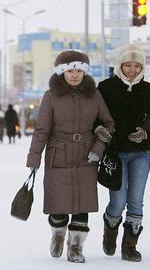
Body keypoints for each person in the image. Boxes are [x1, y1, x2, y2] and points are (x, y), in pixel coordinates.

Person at [26, 50, 114, 263]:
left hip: (87, 155)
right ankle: (57, 233)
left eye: (79, 70)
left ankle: (76, 247)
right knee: (58, 205)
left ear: (84, 72)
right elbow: (42, 130)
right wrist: (34, 157)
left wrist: (98, 147)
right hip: (59, 154)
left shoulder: (95, 95)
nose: (74, 75)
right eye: (70, 71)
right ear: (62, 73)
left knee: (83, 204)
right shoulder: (51, 96)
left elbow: (108, 124)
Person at [96, 44, 150, 262]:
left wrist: (147, 132)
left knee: (136, 200)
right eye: (128, 65)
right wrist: (99, 129)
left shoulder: (148, 90)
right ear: (120, 65)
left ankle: (129, 247)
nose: (132, 70)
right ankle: (110, 229)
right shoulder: (106, 87)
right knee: (118, 200)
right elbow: (95, 115)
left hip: (140, 154)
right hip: (115, 153)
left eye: (137, 66)